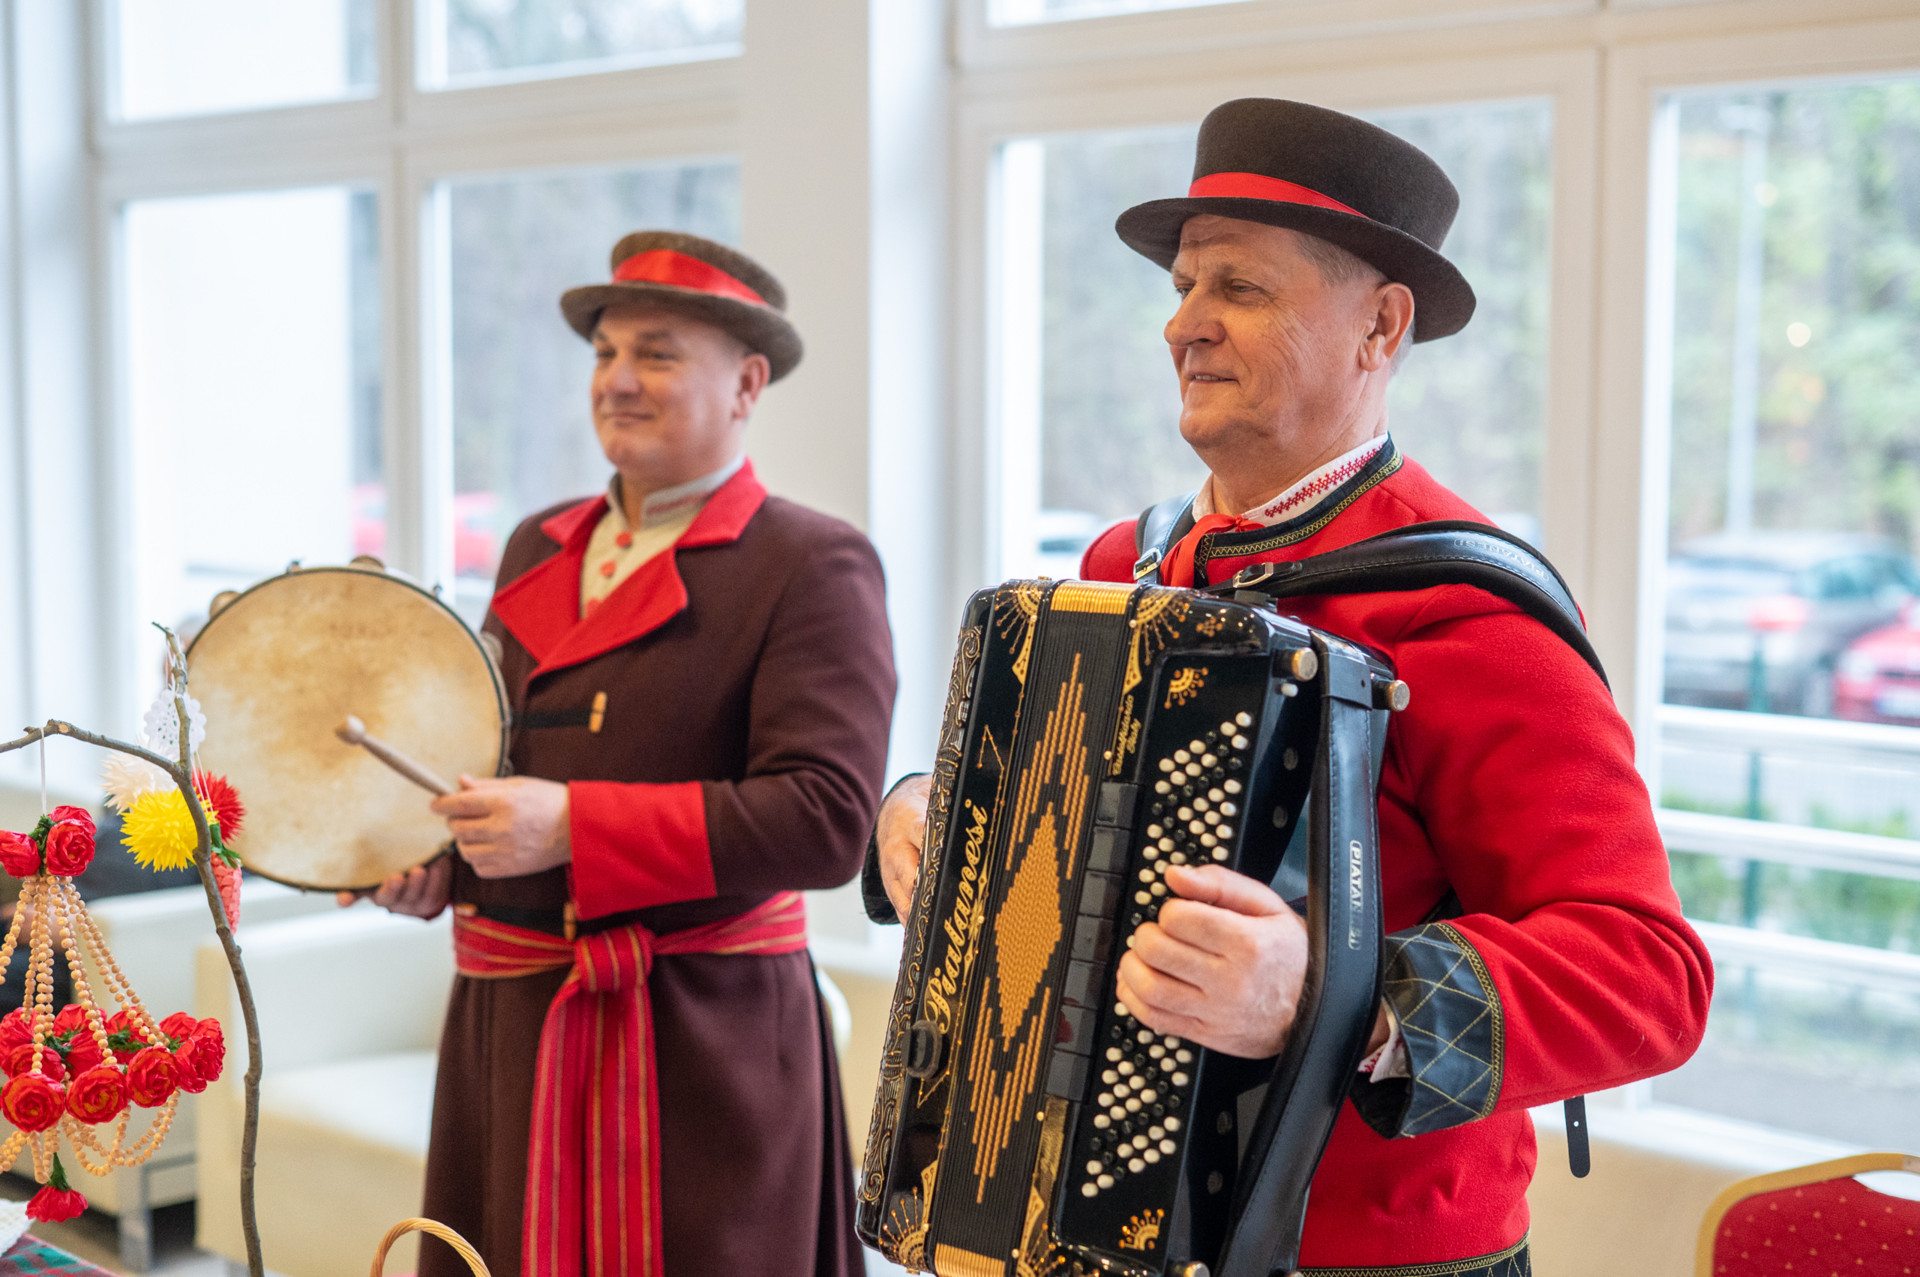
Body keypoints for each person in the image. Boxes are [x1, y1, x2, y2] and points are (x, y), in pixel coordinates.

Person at [868, 99, 1711, 1277]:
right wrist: (930, 812)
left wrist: (1331, 994)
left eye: (1241, 287)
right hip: (1082, 1233)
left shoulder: (1468, 612)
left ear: (1381, 325)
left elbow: (1651, 975)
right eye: (1182, 285)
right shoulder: (1124, 567)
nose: (1184, 323)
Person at [347, 230, 896, 1277]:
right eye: (605, 352)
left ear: (747, 384)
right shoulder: (536, 542)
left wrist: (575, 825)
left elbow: (827, 818)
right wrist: (435, 865)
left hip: (703, 1039)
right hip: (514, 1018)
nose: (618, 379)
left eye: (657, 353)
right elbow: (490, 762)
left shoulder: (813, 560)